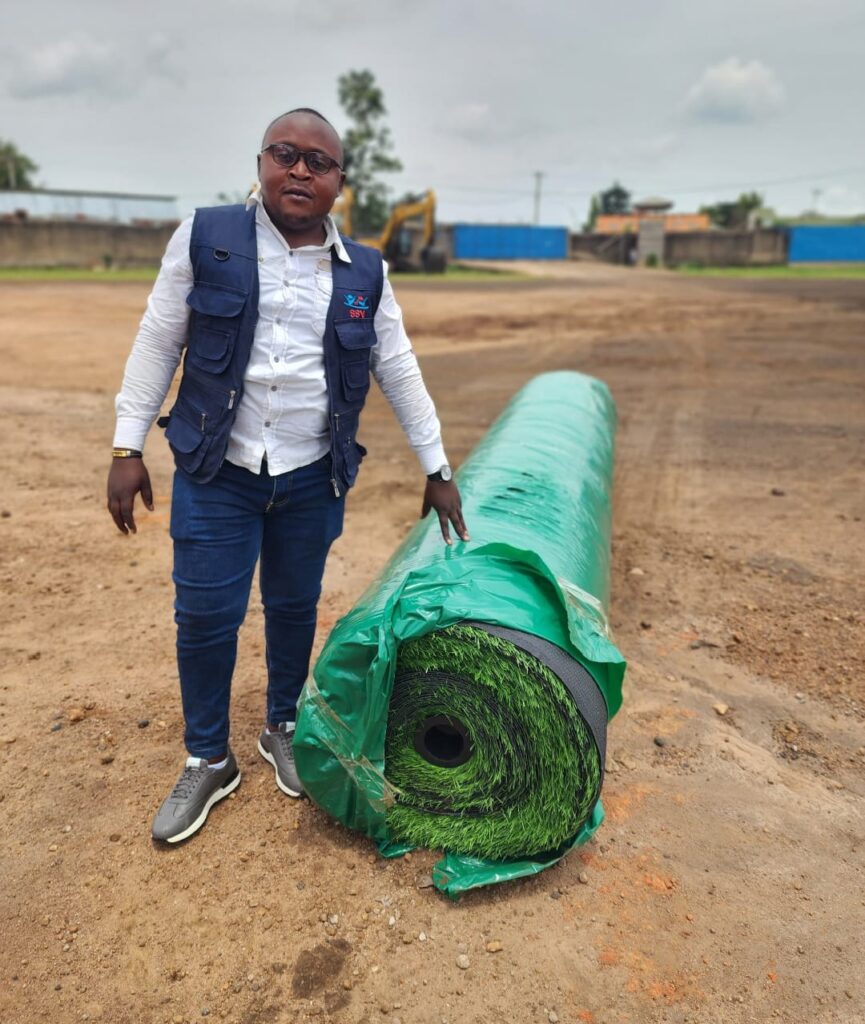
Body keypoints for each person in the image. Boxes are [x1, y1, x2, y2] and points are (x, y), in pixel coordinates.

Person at [107, 107, 469, 845]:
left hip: (311, 475)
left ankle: (282, 725)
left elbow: (397, 367)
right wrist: (125, 447)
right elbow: (158, 340)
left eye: (318, 161)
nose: (300, 169)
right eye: (285, 153)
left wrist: (436, 467)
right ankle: (208, 757)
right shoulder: (206, 237)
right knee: (204, 615)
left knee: (294, 606)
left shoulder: (365, 271)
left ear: (339, 182)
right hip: (218, 469)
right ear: (261, 163)